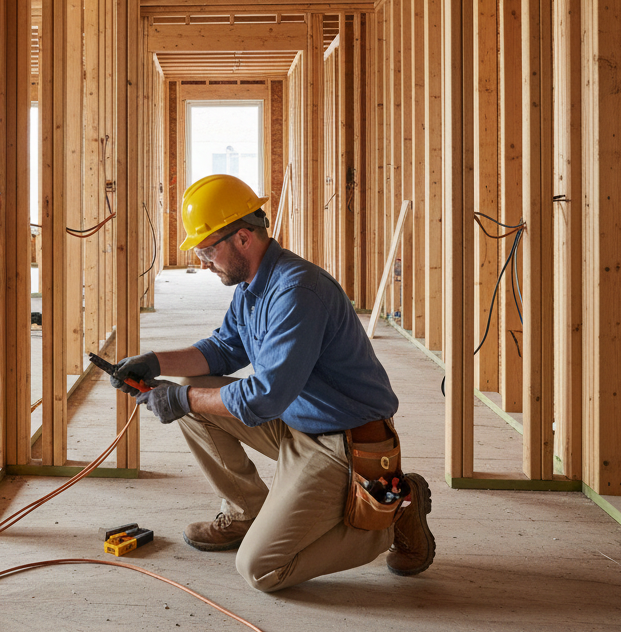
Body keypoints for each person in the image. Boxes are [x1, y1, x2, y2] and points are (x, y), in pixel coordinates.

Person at [108, 173, 435, 592]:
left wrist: (183, 398)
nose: (203, 262)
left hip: (345, 444)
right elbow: (222, 350)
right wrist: (153, 362)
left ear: (243, 238)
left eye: (208, 249)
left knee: (261, 569)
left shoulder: (297, 291)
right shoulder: (251, 286)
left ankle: (392, 519)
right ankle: (245, 511)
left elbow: (264, 396)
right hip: (298, 421)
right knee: (191, 386)